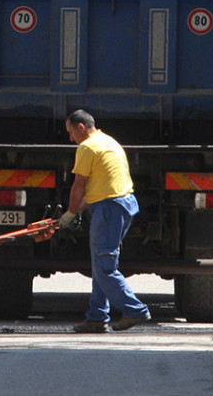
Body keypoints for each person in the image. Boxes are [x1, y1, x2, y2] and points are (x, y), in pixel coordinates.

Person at [60, 109, 151, 333]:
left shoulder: (87, 147)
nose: (71, 138)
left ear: (81, 127)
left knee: (104, 267)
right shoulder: (108, 141)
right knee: (101, 263)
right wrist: (81, 208)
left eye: (71, 132)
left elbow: (79, 185)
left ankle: (136, 310)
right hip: (120, 205)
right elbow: (103, 182)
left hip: (110, 208)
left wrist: (70, 213)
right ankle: (96, 316)